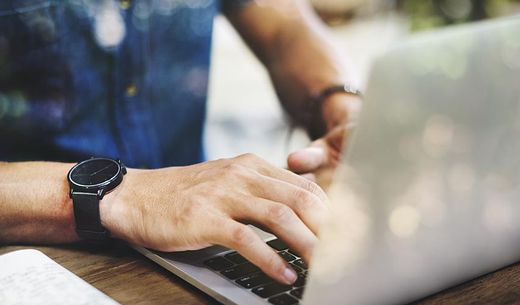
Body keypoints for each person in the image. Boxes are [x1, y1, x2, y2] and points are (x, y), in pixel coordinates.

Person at [0, 0, 361, 285]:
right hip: (35, 264)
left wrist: (340, 105)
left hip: (197, 243)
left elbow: (285, 24)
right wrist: (127, 197)